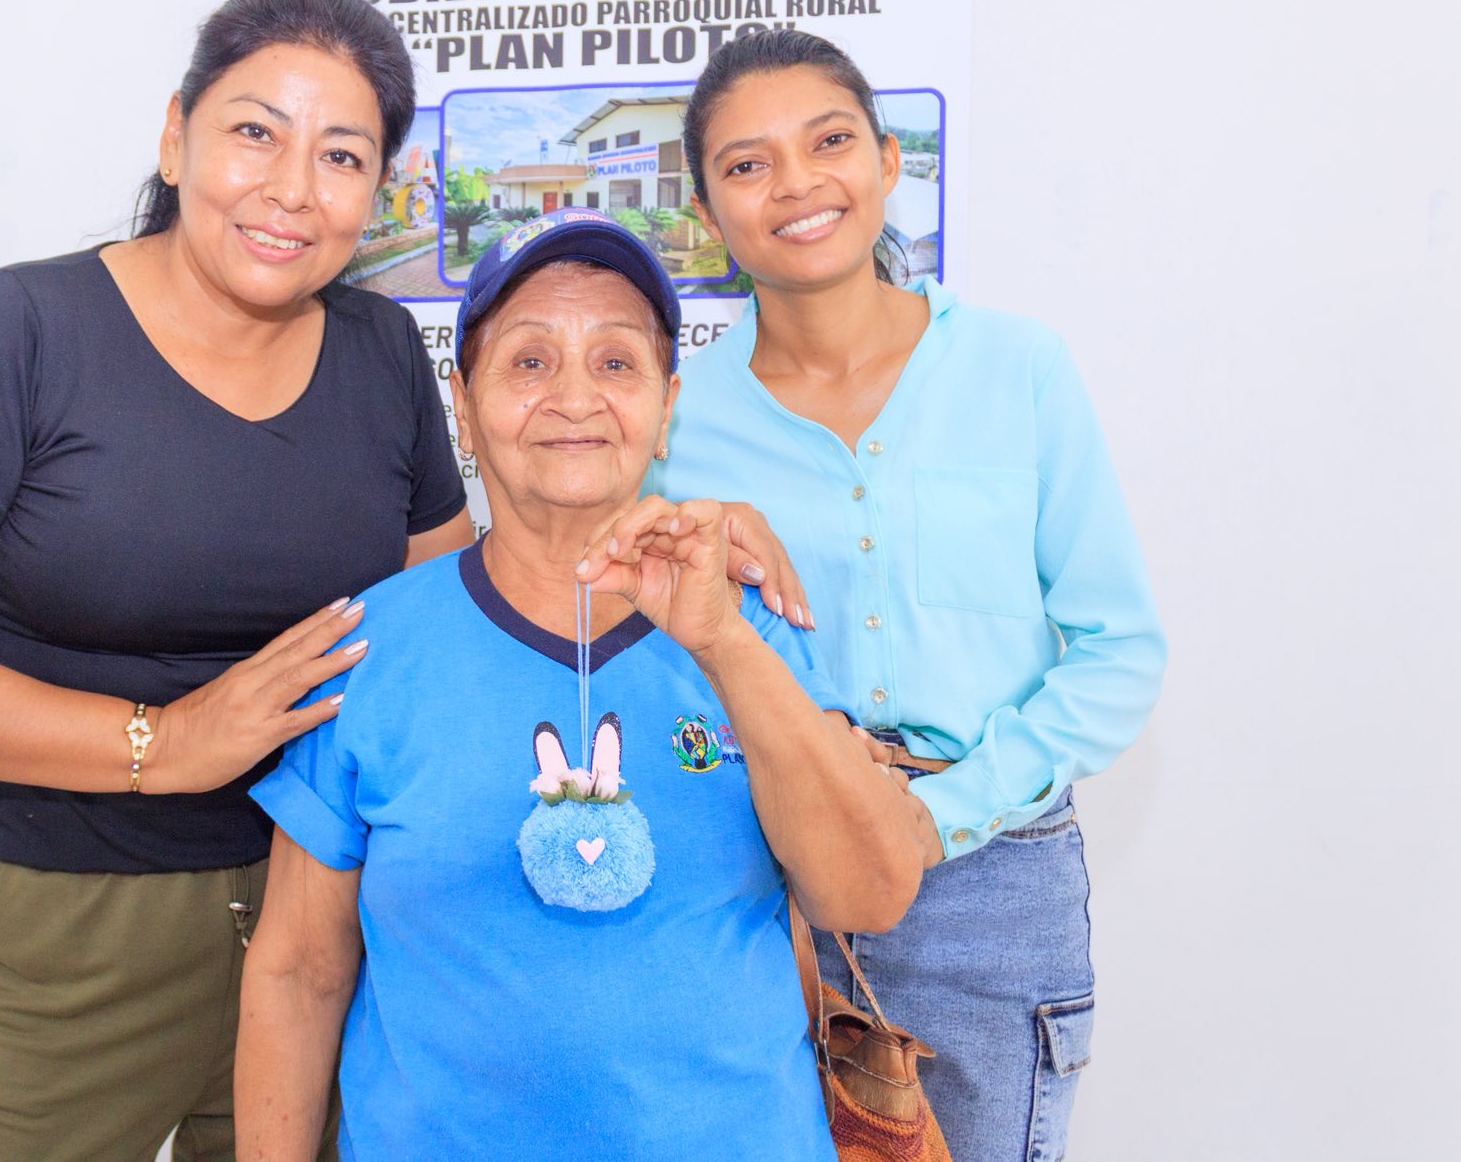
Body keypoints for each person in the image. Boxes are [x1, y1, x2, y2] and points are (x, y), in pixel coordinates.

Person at [0, 0, 477, 1160]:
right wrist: (162, 743)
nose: (291, 188)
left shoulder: (380, 354)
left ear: (376, 190)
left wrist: (655, 549)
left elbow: (449, 624)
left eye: (340, 155)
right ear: (176, 136)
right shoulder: (25, 327)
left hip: (323, 920)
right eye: (254, 132)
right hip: (67, 930)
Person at [234, 209, 936, 1161]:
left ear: (666, 405)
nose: (574, 397)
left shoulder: (754, 623)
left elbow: (869, 895)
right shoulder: (373, 648)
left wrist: (721, 642)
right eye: (529, 362)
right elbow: (299, 973)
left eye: (615, 362)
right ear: (462, 404)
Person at [654, 29, 1168, 1161]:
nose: (796, 183)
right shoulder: (677, 423)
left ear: (888, 161)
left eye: (829, 142)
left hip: (992, 880)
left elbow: (1117, 649)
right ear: (705, 213)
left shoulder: (1017, 369)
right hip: (763, 887)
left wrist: (936, 816)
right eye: (746, 164)